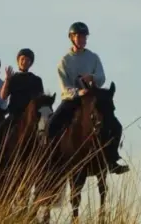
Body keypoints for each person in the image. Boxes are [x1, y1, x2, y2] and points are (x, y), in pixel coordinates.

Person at [46, 22, 129, 175]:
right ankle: (51, 161)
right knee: (51, 125)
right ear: (71, 38)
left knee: (116, 126)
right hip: (72, 99)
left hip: (92, 98)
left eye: (84, 36)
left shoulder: (93, 57)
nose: (82, 39)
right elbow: (64, 88)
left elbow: (102, 77)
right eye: (78, 36)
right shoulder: (64, 61)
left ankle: (112, 160)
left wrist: (92, 77)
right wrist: (78, 93)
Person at [0, 48, 45, 118]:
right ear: (18, 61)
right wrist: (7, 80)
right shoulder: (13, 78)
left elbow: (41, 99)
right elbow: (3, 96)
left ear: (31, 63)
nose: (24, 62)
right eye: (22, 59)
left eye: (27, 60)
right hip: (14, 115)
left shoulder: (36, 80)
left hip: (31, 115)